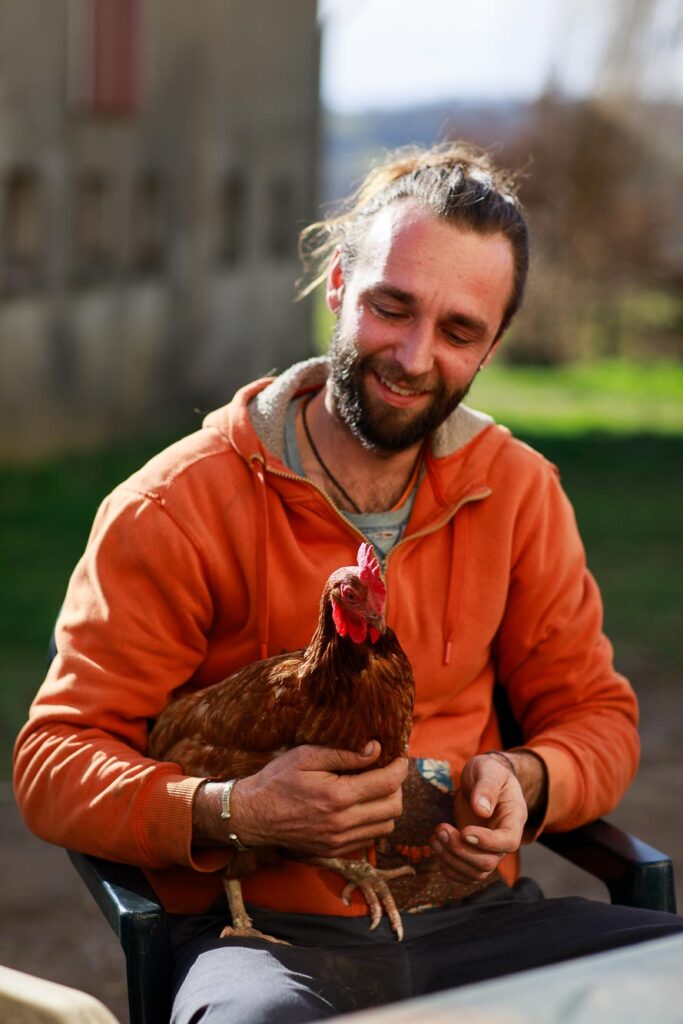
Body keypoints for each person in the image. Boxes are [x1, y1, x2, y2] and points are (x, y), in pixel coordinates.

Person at [14, 141, 683, 1022]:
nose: (411, 356)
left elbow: (598, 717)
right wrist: (232, 810)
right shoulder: (174, 505)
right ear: (337, 288)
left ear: (489, 347)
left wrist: (526, 779)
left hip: (473, 918)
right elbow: (54, 761)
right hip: (262, 940)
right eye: (389, 307)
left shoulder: (516, 493)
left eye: (456, 331)